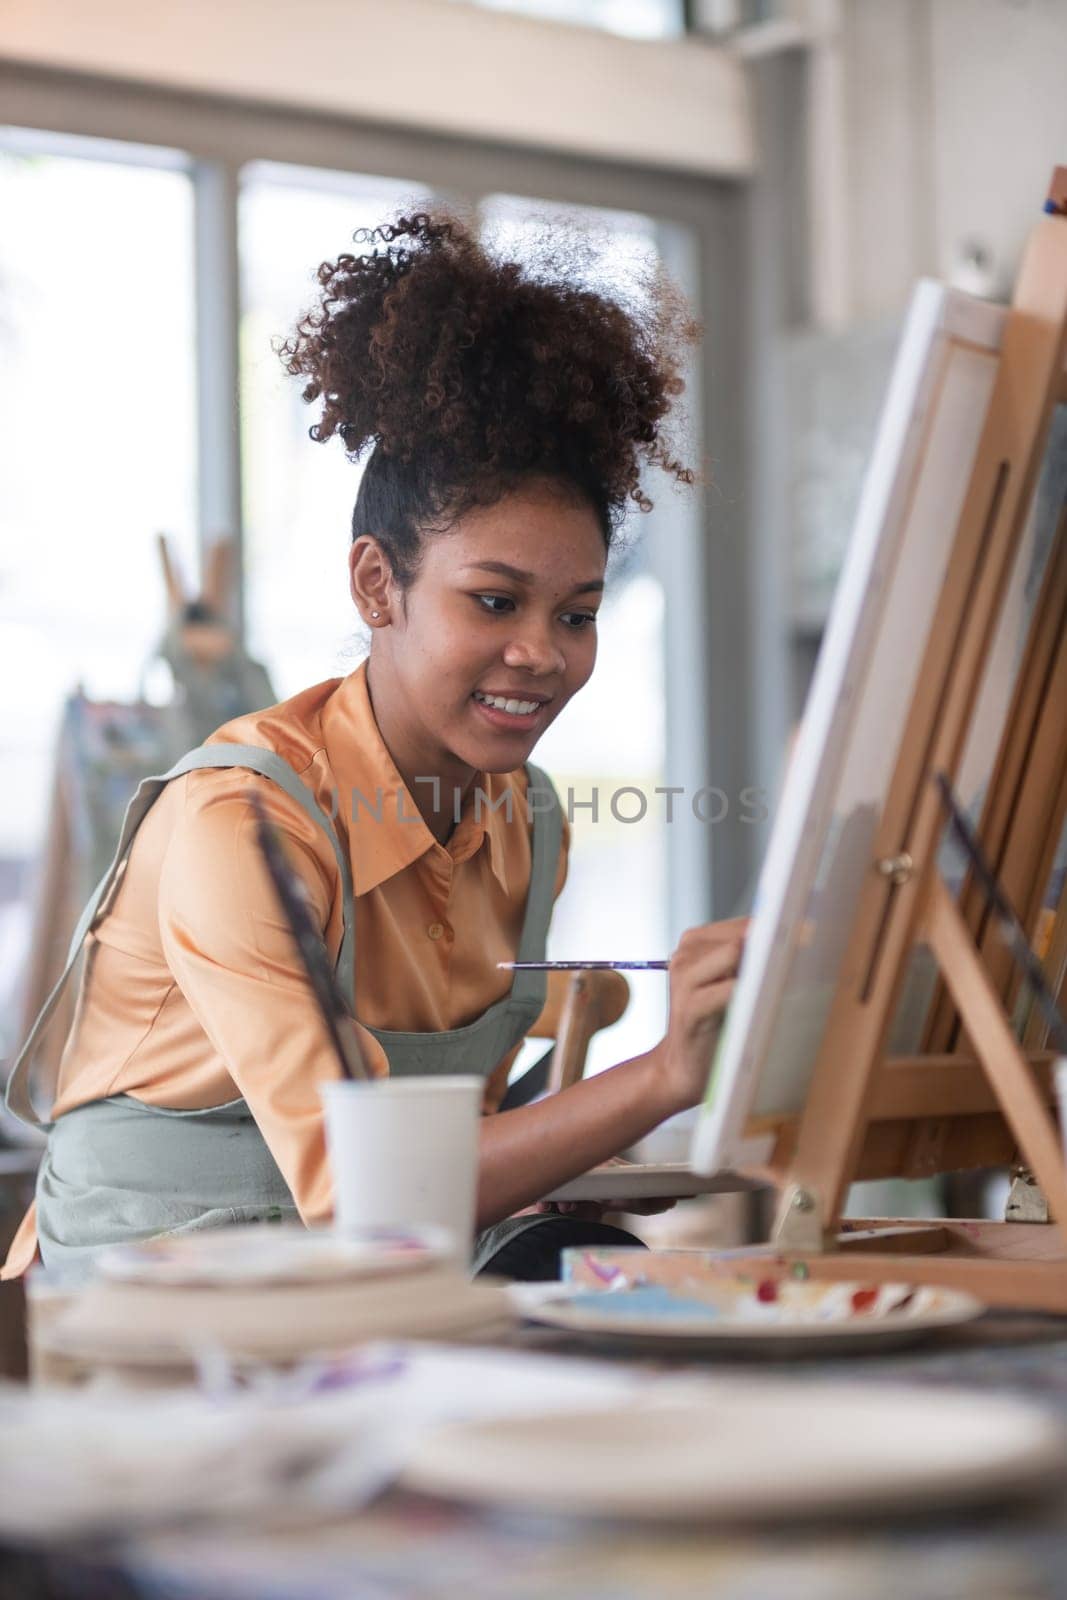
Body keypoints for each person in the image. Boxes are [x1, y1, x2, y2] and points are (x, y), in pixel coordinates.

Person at [2, 212, 744, 1282]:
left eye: (576, 614)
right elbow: (358, 1191)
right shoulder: (241, 824)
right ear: (374, 584)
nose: (540, 654)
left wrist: (594, 1129)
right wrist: (661, 1075)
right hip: (140, 1329)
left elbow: (447, 1159)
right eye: (494, 600)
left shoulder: (523, 818)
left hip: (360, 1301)